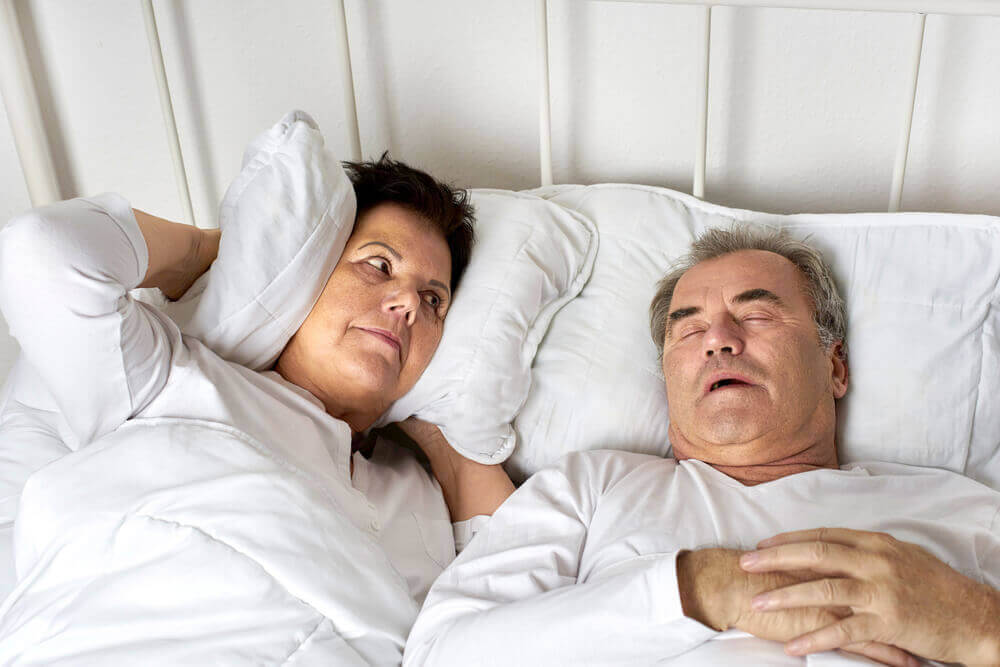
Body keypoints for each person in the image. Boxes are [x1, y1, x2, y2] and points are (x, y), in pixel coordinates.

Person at [403, 226, 1000, 666]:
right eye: (688, 329)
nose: (718, 339)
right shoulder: (591, 486)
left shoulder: (961, 509)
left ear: (835, 366)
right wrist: (702, 588)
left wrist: (977, 623)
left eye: (757, 316)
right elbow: (440, 654)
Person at [0, 155, 512, 663]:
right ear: (308, 273)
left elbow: (510, 587)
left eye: (434, 300)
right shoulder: (177, 380)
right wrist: (207, 253)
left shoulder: (416, 492)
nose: (409, 303)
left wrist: (444, 434)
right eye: (379, 266)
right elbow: (41, 253)